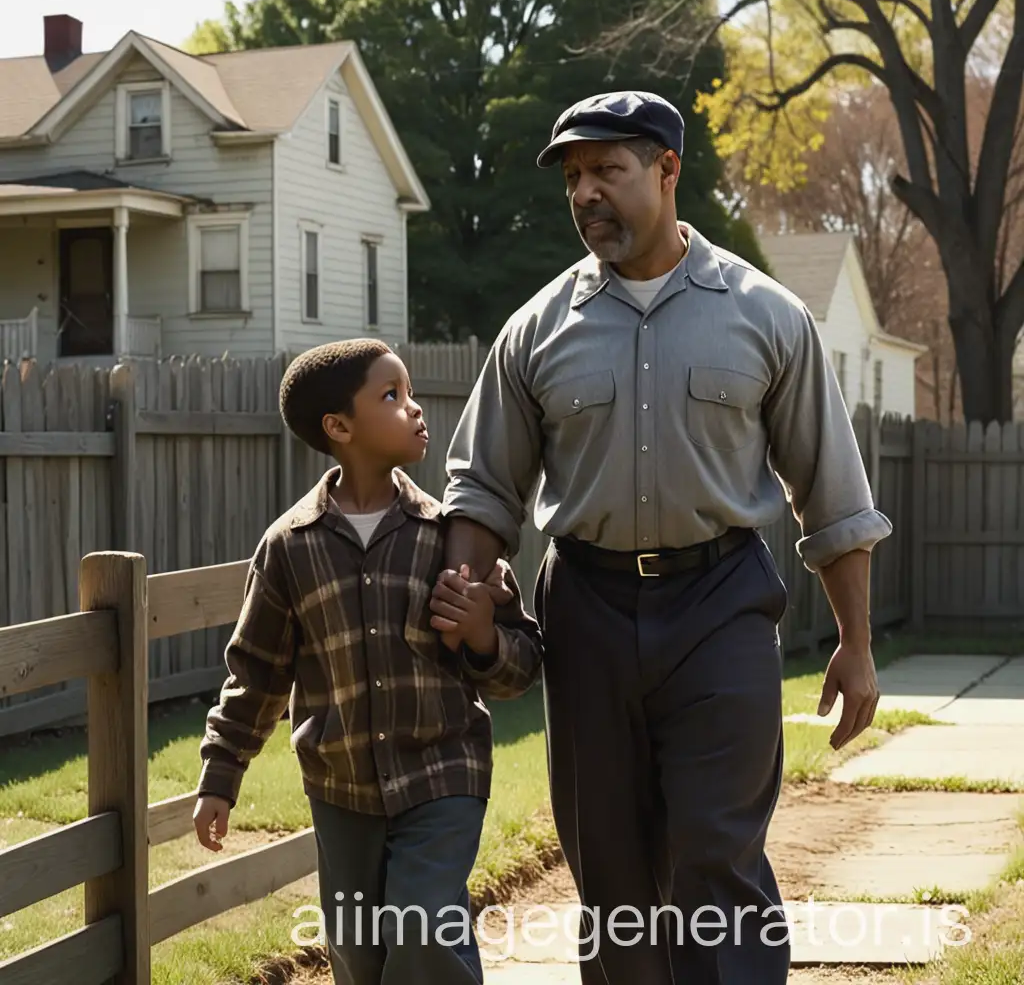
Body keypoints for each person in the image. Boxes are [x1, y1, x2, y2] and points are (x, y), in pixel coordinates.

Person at [431, 91, 891, 984]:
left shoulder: (766, 315)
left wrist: (858, 644)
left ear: (669, 170)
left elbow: (832, 494)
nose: (586, 193)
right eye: (574, 177)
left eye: (608, 170)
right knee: (610, 871)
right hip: (589, 611)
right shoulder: (536, 330)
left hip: (720, 605)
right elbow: (481, 487)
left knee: (715, 859)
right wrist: (464, 606)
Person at [192, 339, 543, 985]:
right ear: (339, 427)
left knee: (420, 929)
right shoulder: (288, 549)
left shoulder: (452, 538)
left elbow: (521, 667)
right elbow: (256, 674)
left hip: (442, 776)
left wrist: (484, 634)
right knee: (357, 954)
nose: (414, 409)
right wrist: (221, 774)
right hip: (342, 789)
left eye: (410, 394)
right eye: (392, 396)